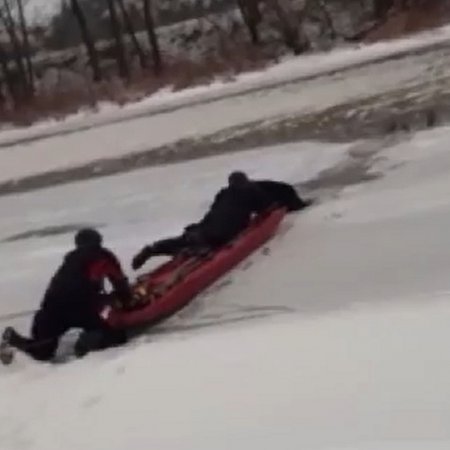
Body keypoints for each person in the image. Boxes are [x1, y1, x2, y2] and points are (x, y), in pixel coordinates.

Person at [2, 228, 133, 362]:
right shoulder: (103, 256)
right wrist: (126, 301)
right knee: (117, 334)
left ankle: (12, 338)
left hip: (51, 308)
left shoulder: (69, 262)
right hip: (83, 307)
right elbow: (119, 282)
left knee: (43, 352)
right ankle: (86, 345)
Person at [132, 172, 274, 270]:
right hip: (224, 233)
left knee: (183, 239)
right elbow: (265, 208)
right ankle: (196, 249)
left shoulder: (223, 193)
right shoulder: (251, 190)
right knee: (207, 243)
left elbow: (215, 209)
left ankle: (153, 249)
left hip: (203, 227)